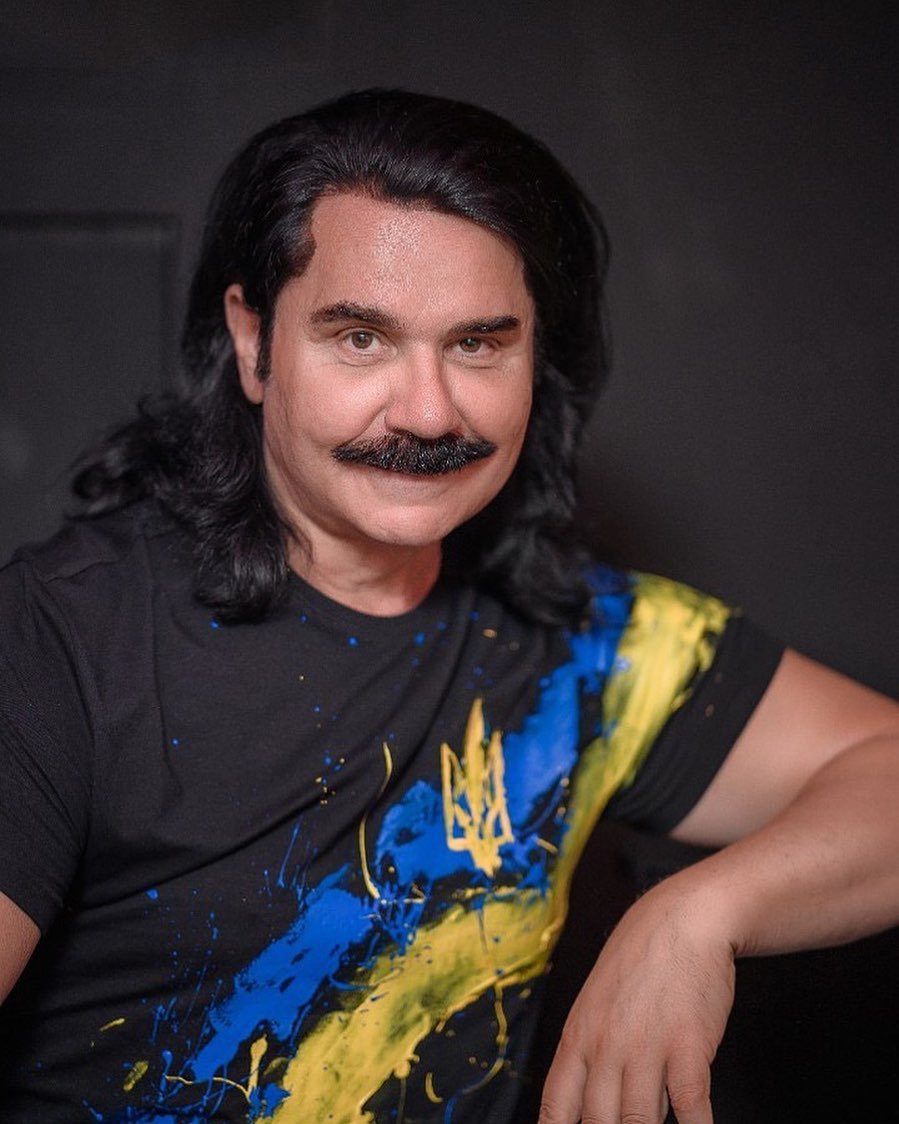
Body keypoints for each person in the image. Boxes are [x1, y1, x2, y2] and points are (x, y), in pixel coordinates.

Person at [0, 88, 896, 1124]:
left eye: (477, 344)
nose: (427, 412)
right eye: (360, 338)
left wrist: (697, 911)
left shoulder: (577, 648)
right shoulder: (62, 637)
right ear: (252, 342)